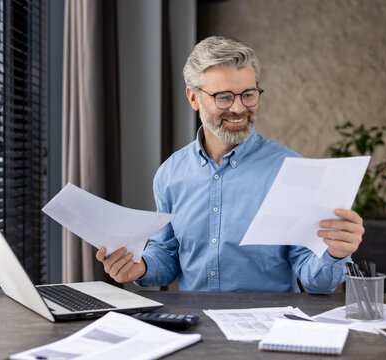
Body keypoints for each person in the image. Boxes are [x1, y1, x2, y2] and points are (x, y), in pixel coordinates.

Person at [96, 36, 364, 293]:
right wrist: (139, 267)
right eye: (224, 97)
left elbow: (314, 279)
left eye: (248, 94)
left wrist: (334, 253)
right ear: (193, 98)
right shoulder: (169, 174)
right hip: (196, 326)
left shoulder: (290, 168)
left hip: (269, 326)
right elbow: (166, 255)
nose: (238, 108)